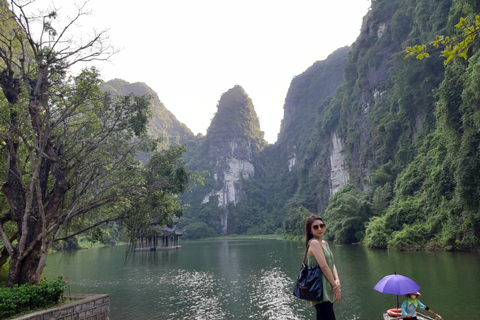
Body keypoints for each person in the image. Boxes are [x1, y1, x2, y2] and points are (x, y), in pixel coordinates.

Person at [304, 214, 341, 320]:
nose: (320, 229)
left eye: (322, 226)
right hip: (320, 290)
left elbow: (331, 263)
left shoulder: (324, 243)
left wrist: (337, 279)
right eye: (315, 227)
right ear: (310, 230)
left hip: (328, 288)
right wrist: (336, 288)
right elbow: (324, 267)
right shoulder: (314, 243)